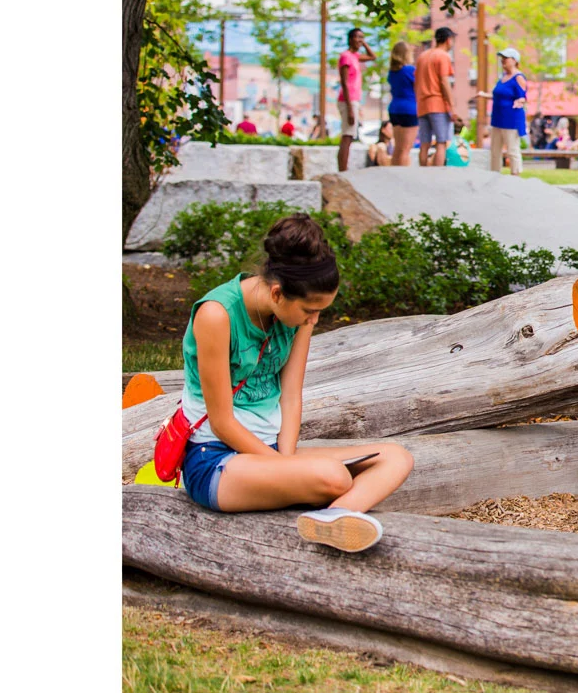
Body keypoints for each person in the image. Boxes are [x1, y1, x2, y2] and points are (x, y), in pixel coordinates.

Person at [177, 214, 414, 551]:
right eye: (309, 310)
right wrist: (287, 467)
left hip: (272, 452)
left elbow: (290, 396)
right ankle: (330, 505)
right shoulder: (216, 315)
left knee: (396, 457)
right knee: (333, 477)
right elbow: (222, 422)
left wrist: (286, 458)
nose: (314, 319)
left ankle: (333, 518)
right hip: (216, 459)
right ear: (277, 293)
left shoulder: (297, 318)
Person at [476, 47, 528, 177]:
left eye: (506, 58)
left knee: (512, 149)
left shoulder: (518, 77)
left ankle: (515, 175)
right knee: (495, 149)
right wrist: (484, 95)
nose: (503, 61)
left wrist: (520, 101)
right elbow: (498, 96)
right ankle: (494, 174)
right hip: (497, 119)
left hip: (511, 119)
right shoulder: (503, 78)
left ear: (514, 60)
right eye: (502, 58)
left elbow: (523, 96)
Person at [335, 27, 376, 172]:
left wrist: (363, 43)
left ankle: (343, 169)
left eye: (362, 37)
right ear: (350, 39)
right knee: (347, 136)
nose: (360, 40)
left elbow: (373, 57)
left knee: (350, 136)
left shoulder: (355, 56)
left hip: (354, 100)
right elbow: (344, 82)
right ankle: (343, 170)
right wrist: (350, 109)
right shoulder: (346, 56)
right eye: (358, 37)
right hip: (348, 100)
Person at [414, 27, 457, 167]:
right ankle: (437, 174)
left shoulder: (422, 57)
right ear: (448, 40)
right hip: (438, 105)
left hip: (422, 105)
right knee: (441, 142)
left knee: (424, 143)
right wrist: (452, 106)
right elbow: (444, 82)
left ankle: (423, 172)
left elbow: (416, 81)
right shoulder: (443, 56)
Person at [385, 42, 419, 166]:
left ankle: (394, 174)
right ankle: (403, 176)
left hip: (394, 109)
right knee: (406, 149)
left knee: (398, 149)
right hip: (409, 109)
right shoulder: (409, 70)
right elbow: (419, 87)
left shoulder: (392, 72)